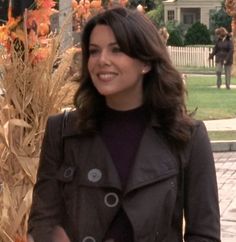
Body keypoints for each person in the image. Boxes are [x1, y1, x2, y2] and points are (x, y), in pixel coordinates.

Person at [28, 7, 221, 242]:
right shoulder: (62, 131)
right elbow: (43, 221)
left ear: (146, 63)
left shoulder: (187, 137)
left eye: (117, 50)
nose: (102, 61)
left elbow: (204, 234)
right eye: (94, 52)